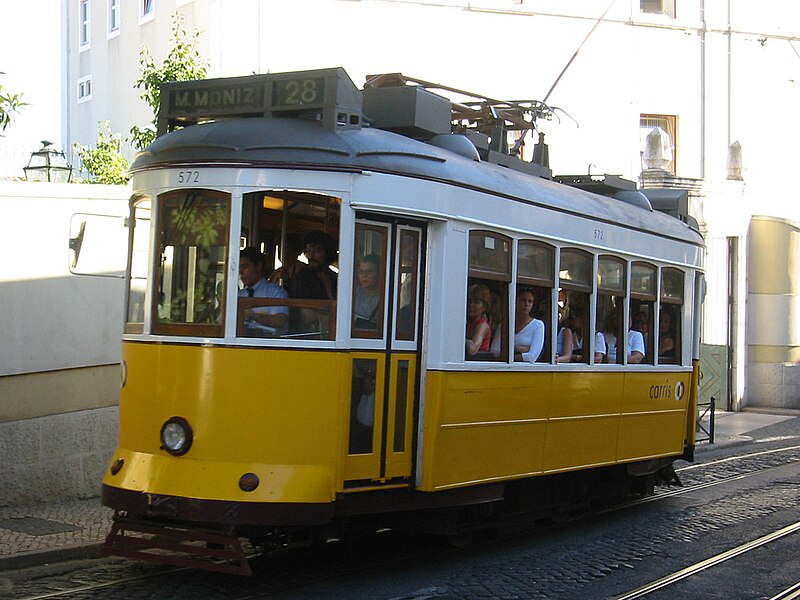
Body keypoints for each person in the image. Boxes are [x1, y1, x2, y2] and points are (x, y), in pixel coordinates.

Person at [238, 247, 288, 336]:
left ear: (258, 266)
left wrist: (254, 316)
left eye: (245, 267)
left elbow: (280, 321)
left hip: (266, 343)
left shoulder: (276, 293)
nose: (241, 272)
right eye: (239, 268)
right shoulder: (239, 295)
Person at [290, 231, 338, 300]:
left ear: (328, 253)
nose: (311, 255)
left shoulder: (335, 277)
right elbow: (303, 307)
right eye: (308, 250)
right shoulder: (302, 278)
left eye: (317, 251)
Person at [513, 287, 545, 363]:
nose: (526, 304)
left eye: (530, 301)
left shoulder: (538, 325)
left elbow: (532, 357)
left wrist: (510, 356)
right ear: (515, 301)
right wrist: (518, 348)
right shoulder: (505, 324)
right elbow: (495, 350)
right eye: (523, 300)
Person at [353, 254, 382, 330]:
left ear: (380, 273)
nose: (363, 275)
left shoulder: (386, 297)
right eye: (361, 271)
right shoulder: (354, 293)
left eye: (369, 271)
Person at [465, 283, 492, 358]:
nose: (471, 305)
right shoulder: (467, 322)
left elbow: (472, 349)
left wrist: (459, 339)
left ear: (484, 307)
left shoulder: (482, 325)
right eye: (469, 301)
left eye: (476, 302)